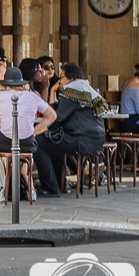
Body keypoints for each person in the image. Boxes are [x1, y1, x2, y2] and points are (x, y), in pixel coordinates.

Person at [0, 67, 56, 200]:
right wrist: (34, 131)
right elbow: (52, 116)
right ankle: (30, 186)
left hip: (5, 144)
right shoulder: (32, 96)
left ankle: (5, 184)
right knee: (28, 151)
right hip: (27, 144)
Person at [33, 63, 106, 196]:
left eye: (61, 77)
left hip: (81, 138)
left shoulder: (72, 90)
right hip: (93, 137)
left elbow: (56, 118)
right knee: (52, 141)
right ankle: (58, 185)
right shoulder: (83, 87)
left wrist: (36, 131)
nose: (59, 80)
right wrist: (52, 91)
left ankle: (50, 188)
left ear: (70, 78)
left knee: (37, 143)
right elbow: (57, 114)